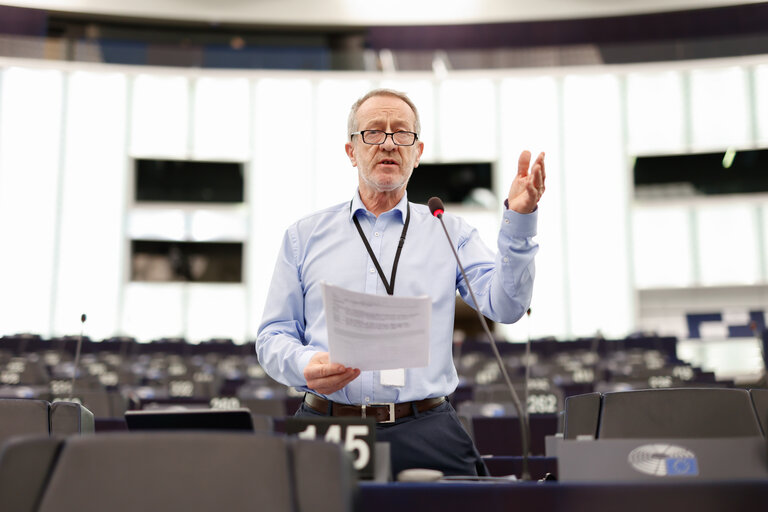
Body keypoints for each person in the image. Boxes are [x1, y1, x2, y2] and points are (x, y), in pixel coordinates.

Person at [256, 88, 545, 477]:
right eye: (374, 132)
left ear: (418, 151)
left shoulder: (449, 230)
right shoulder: (302, 237)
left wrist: (520, 222)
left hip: (426, 426)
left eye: (402, 133)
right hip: (329, 423)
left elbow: (507, 306)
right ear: (351, 151)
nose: (389, 143)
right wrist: (306, 364)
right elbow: (273, 336)